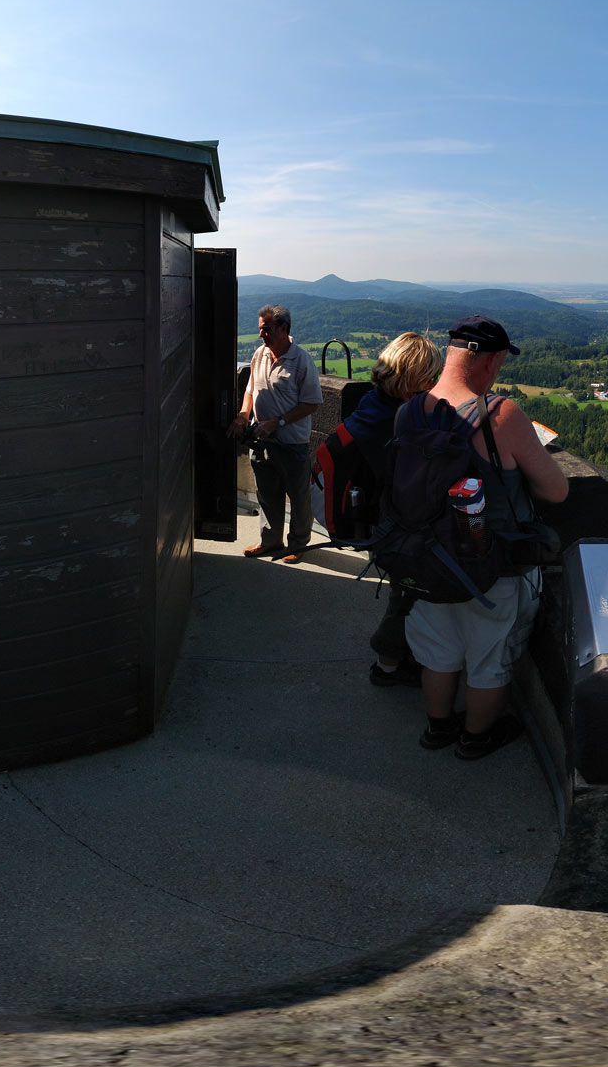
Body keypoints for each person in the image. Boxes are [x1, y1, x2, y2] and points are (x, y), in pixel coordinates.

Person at [400, 315, 570, 760]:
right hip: (489, 561)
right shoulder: (500, 414)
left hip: (425, 556)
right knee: (489, 654)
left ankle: (438, 728)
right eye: (498, 362)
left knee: (438, 648)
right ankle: (476, 738)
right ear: (489, 360)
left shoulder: (410, 410)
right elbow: (557, 490)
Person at [343, 331, 444, 690]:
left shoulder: (373, 402)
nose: (434, 383)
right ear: (409, 376)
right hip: (390, 524)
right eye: (429, 376)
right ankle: (387, 666)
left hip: (371, 516)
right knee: (406, 592)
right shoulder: (396, 420)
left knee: (404, 591)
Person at [238, 304, 324, 558]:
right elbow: (251, 389)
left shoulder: (301, 360)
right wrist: (244, 415)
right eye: (260, 330)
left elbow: (312, 403)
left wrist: (277, 422)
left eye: (266, 330)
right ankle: (270, 541)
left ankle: (297, 544)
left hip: (291, 443)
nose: (262, 335)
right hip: (262, 441)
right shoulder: (259, 354)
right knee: (266, 494)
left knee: (298, 498)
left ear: (283, 328)